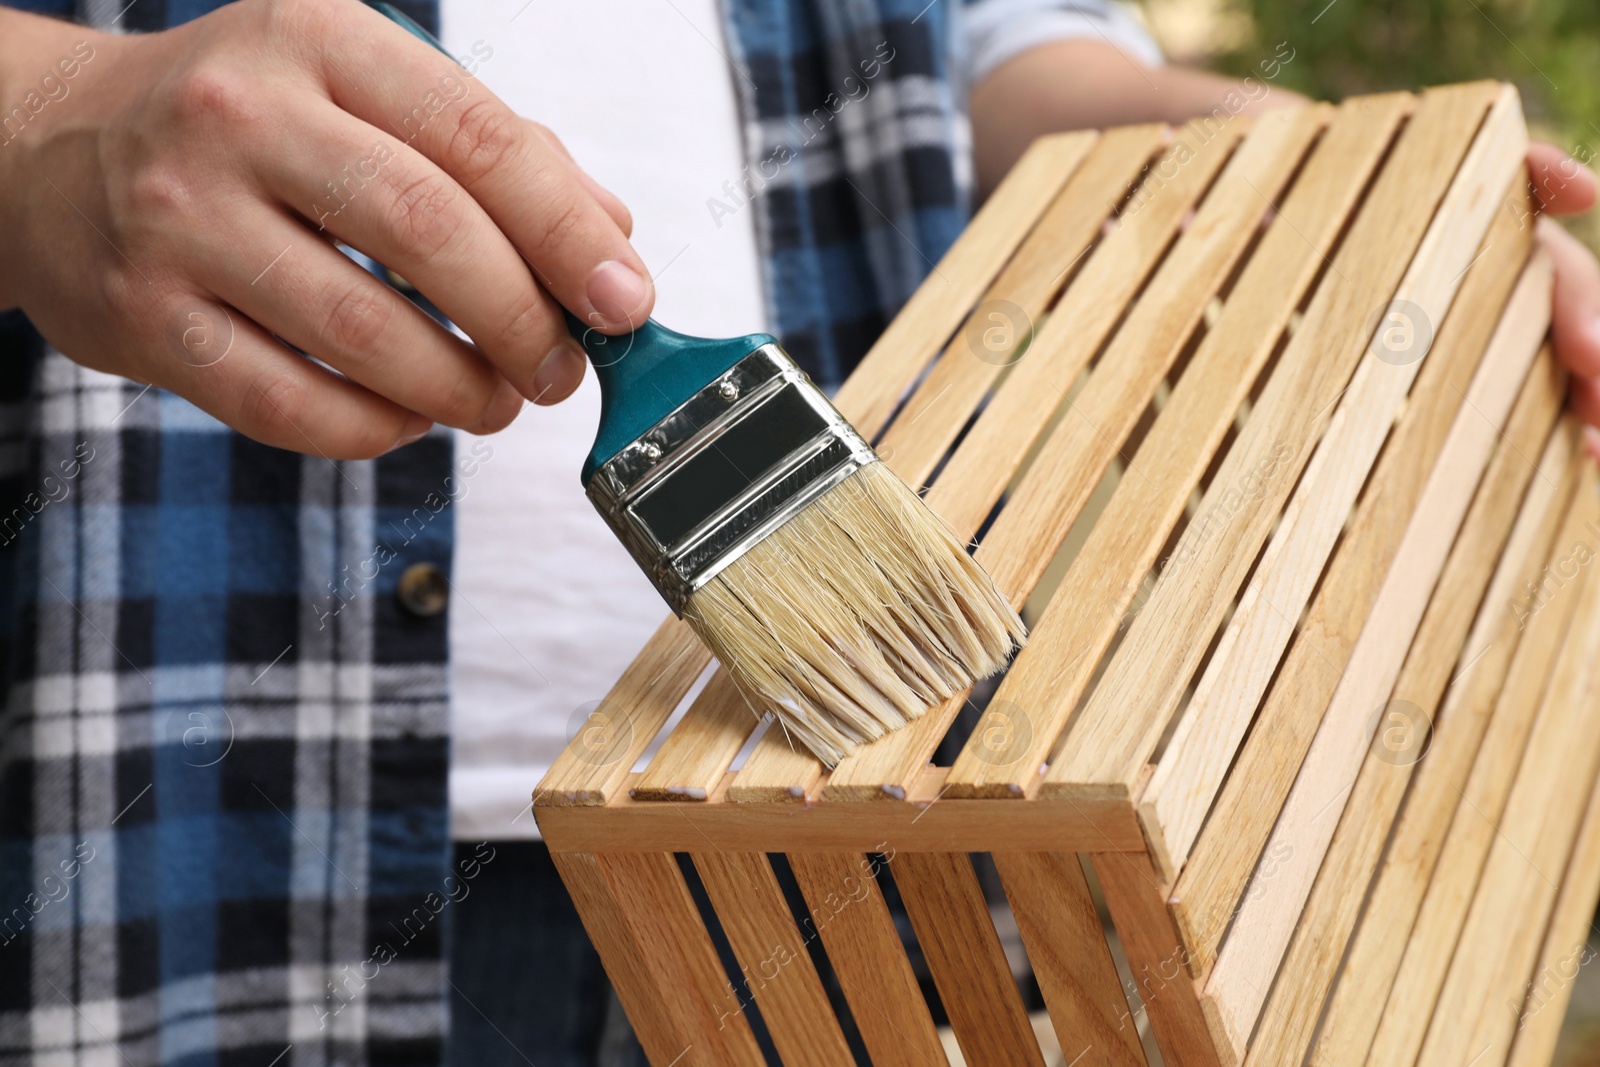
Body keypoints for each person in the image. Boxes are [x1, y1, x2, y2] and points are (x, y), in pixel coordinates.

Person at [0, 1, 1596, 1065]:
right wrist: (44, 108)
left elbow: (993, 47)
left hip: (853, 845)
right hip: (176, 858)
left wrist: (1322, 184)